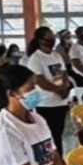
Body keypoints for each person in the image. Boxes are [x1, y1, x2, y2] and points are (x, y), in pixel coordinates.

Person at [27, 27, 70, 156]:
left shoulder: (56, 55)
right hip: (45, 103)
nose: (52, 40)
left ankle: (59, 160)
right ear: (41, 40)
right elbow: (40, 81)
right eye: (48, 38)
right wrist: (58, 90)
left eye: (53, 37)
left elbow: (64, 74)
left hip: (60, 102)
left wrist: (65, 87)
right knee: (50, 136)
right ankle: (52, 161)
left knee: (58, 134)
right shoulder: (36, 58)